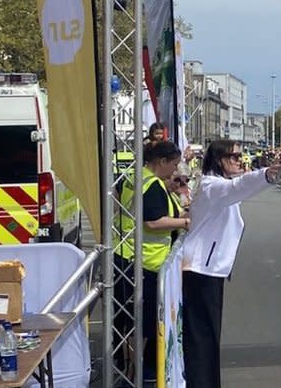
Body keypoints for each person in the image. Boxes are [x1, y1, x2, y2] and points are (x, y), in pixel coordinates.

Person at [182, 140, 281, 388]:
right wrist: (265, 176)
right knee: (203, 336)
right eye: (234, 156)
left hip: (208, 268)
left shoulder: (217, 185)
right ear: (219, 159)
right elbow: (239, 187)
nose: (240, 160)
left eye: (240, 156)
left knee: (208, 335)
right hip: (200, 269)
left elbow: (237, 188)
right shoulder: (212, 186)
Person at [114, 140, 188, 382]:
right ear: (162, 162)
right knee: (142, 325)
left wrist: (172, 188)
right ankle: (136, 373)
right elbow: (153, 222)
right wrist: (186, 223)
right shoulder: (153, 185)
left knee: (127, 323)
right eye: (174, 165)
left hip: (125, 255)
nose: (175, 171)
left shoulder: (135, 176)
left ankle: (128, 370)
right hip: (144, 262)